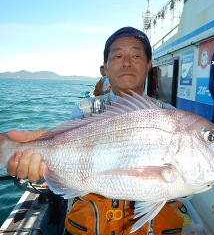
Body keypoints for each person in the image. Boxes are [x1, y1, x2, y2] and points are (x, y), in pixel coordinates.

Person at [6, 27, 184, 234]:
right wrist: (43, 162)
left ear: (148, 66)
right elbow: (69, 160)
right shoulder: (84, 109)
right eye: (117, 56)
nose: (127, 62)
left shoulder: (170, 116)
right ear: (106, 68)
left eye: (136, 55)